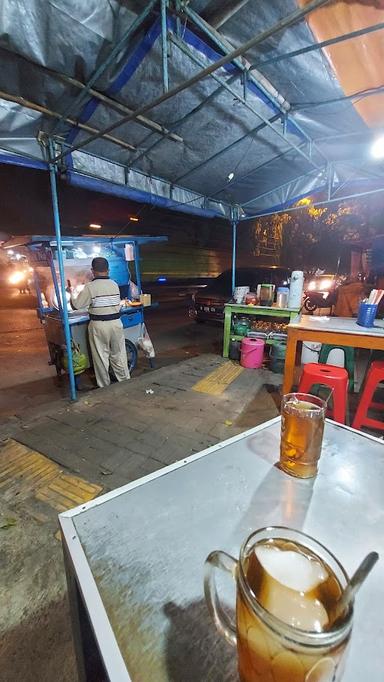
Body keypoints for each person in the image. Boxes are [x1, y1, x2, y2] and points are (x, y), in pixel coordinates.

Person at [71, 257, 130, 388]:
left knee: (101, 357)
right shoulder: (114, 284)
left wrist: (71, 293)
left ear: (93, 271)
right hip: (116, 324)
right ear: (108, 270)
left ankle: (104, 386)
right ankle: (126, 381)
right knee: (119, 355)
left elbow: (77, 305)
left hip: (99, 326)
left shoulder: (90, 287)